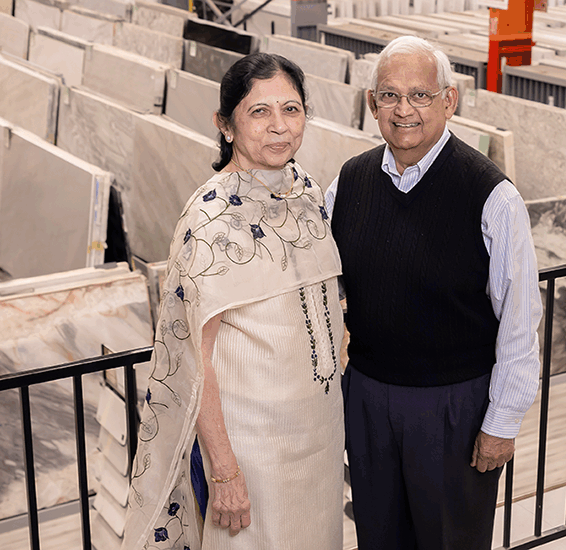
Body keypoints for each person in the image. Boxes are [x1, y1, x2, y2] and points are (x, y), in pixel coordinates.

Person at [327, 35, 543, 550]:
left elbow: (519, 319)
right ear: (371, 102)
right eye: (389, 96)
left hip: (455, 411)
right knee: (379, 537)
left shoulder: (492, 195)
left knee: (450, 541)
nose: (404, 110)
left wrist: (502, 421)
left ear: (449, 100)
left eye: (420, 95)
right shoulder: (348, 183)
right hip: (369, 400)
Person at [122, 52, 345, 550]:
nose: (279, 127)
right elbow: (191, 359)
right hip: (253, 448)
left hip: (320, 435)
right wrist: (223, 469)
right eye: (259, 112)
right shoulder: (209, 220)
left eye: (291, 109)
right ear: (225, 126)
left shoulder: (305, 190)